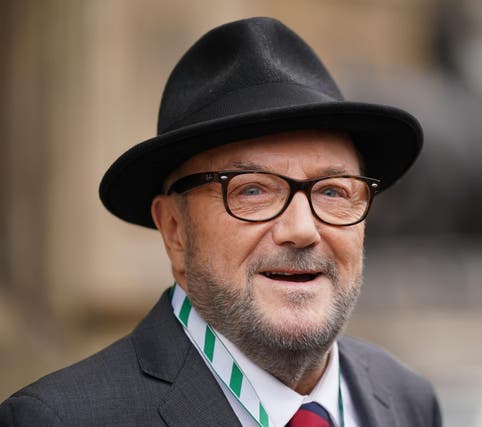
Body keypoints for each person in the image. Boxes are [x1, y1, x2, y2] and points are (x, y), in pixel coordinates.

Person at [0, 17, 441, 426]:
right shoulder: (62, 420)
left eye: (333, 191)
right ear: (174, 230)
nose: (303, 229)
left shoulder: (407, 401)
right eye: (251, 190)